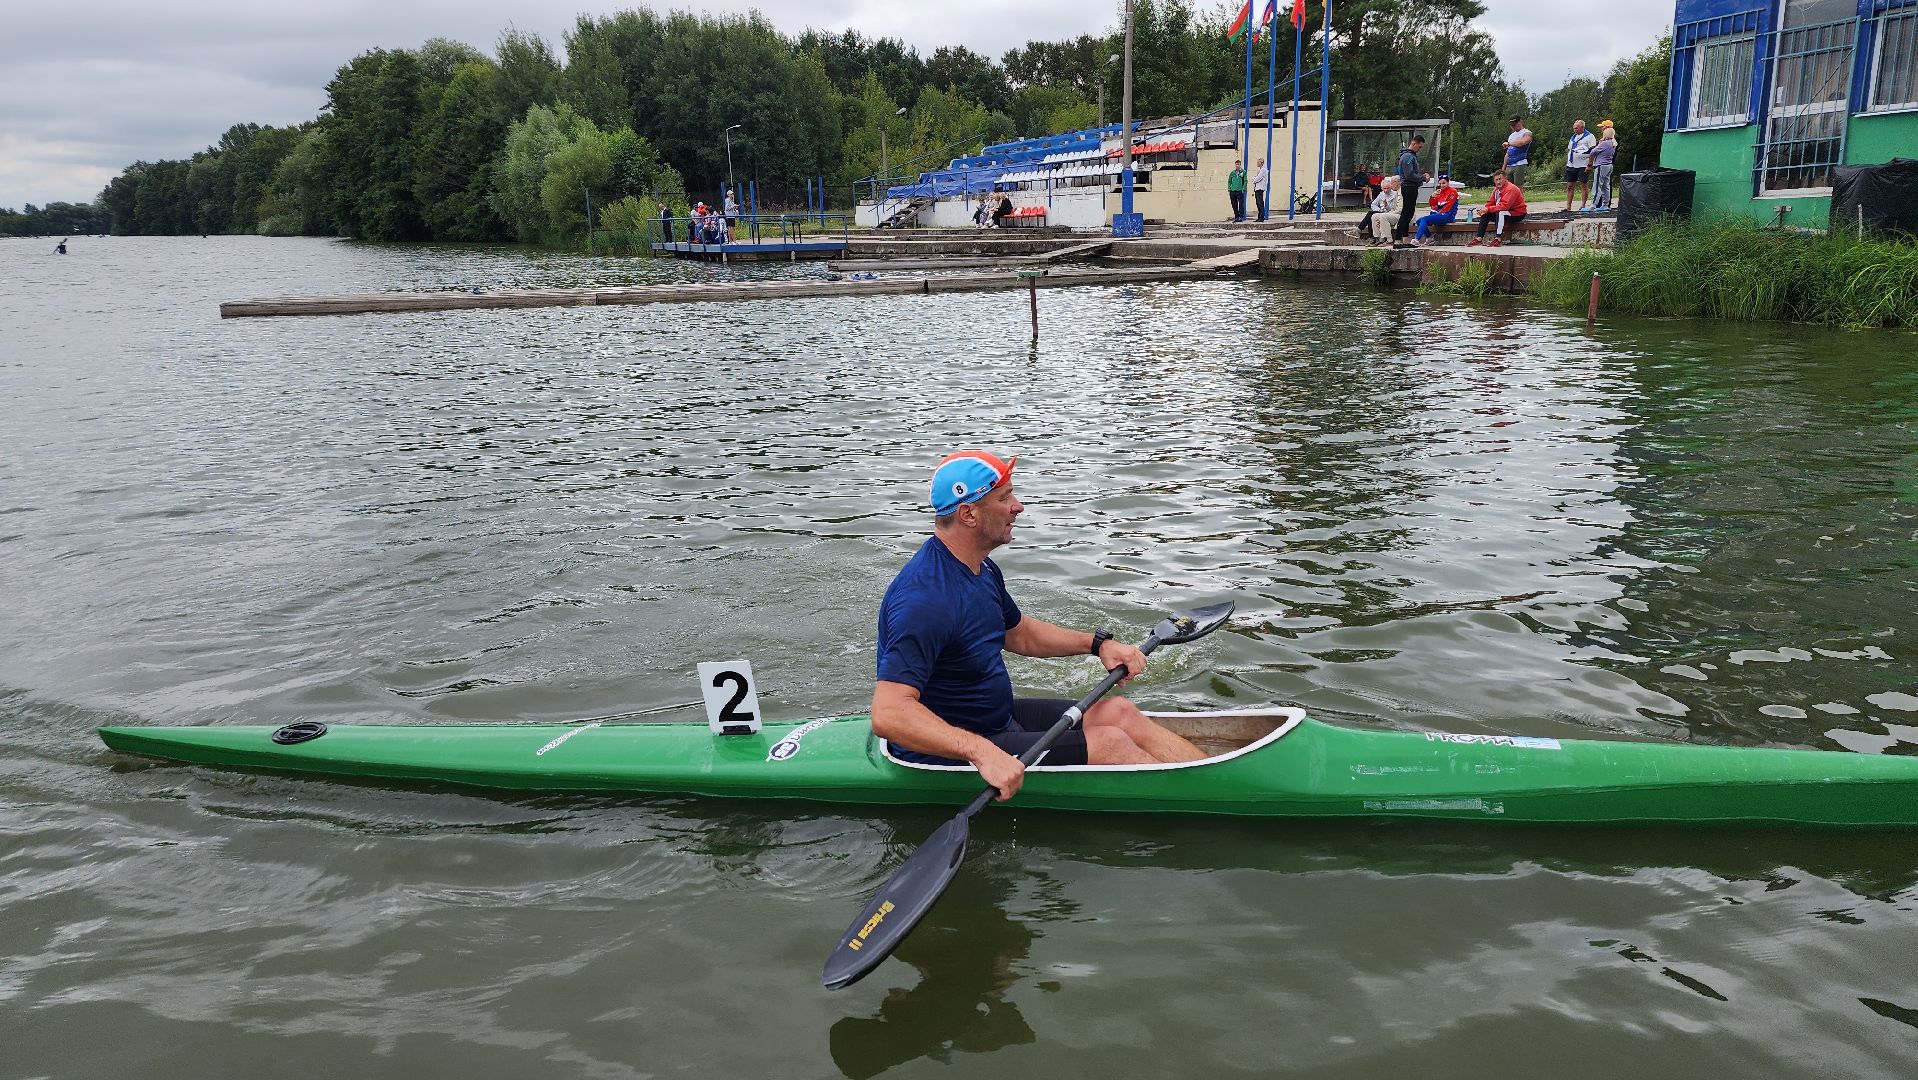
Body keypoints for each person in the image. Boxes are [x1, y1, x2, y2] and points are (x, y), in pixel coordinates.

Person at [871, 451, 1208, 800]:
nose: (1017, 507)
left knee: (1118, 710)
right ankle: (1204, 803)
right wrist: (980, 752)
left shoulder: (981, 570)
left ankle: (1213, 780)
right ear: (968, 513)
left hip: (997, 721)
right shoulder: (924, 600)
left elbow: (1018, 633)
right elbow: (889, 712)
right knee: (1110, 743)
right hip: (946, 750)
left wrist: (1098, 645)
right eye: (1004, 498)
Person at [1467, 168, 1527, 247]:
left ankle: (1498, 239)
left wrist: (1488, 209)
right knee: (1486, 214)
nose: (1498, 182)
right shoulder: (1496, 189)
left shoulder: (1511, 189)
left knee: (1500, 213)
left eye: (1500, 179)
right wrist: (1484, 209)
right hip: (1506, 211)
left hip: (1518, 213)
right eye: (1496, 180)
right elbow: (1491, 202)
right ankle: (1479, 238)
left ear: (1505, 178)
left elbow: (1504, 206)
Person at [1393, 134, 1428, 244]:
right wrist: (1422, 178)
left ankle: (1405, 239)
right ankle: (1398, 240)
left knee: (1409, 213)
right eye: (1419, 147)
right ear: (1414, 143)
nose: (1419, 150)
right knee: (1406, 214)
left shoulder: (1410, 156)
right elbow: (1409, 175)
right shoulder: (1408, 157)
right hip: (1409, 187)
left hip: (1411, 187)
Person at [1414, 175, 1459, 245]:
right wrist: (1432, 196)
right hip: (1439, 214)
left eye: (1444, 183)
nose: (1442, 185)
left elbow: (1448, 206)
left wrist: (1437, 215)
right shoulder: (1439, 192)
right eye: (1440, 183)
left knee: (1424, 219)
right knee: (1419, 221)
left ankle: (1417, 239)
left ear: (1448, 183)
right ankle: (1429, 237)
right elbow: (1432, 204)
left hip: (1448, 215)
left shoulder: (1453, 191)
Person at [1563, 120, 1597, 212]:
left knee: (1583, 184)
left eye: (1577, 128)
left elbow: (1593, 151)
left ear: (1582, 127)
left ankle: (1583, 205)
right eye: (1574, 128)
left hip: (1583, 164)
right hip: (1572, 164)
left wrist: (1589, 165)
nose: (1575, 130)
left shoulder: (1589, 137)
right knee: (1570, 185)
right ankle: (1568, 206)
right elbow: (1570, 150)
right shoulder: (1573, 137)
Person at [1588, 121, 1618, 213]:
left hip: (1601, 165)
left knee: (1597, 185)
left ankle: (1593, 205)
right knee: (1606, 186)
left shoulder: (1605, 143)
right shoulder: (1613, 143)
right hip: (1609, 165)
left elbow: (1593, 152)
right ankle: (1605, 205)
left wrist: (1590, 163)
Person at [1368, 177, 1401, 245]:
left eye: (1387, 188)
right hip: (1387, 212)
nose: (1385, 190)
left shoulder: (1396, 194)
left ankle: (1389, 239)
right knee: (1374, 216)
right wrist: (1379, 210)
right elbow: (1373, 204)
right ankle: (1379, 238)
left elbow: (1397, 209)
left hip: (1394, 213)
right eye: (1384, 188)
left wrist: (1386, 206)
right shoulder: (1381, 194)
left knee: (1382, 216)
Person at [1503, 115, 1533, 189]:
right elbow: (1507, 153)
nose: (1513, 127)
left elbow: (1522, 142)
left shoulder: (1527, 133)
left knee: (1518, 189)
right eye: (1512, 125)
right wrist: (1503, 168)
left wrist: (1509, 143)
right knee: (1508, 188)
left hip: (1519, 164)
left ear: (1520, 122)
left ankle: (1520, 201)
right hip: (1509, 165)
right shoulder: (1511, 136)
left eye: (1515, 124)